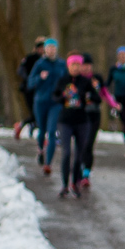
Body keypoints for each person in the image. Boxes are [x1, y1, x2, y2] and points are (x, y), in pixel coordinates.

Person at [52, 53, 99, 198]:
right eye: (73, 65)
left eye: (78, 65)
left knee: (79, 154)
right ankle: (64, 185)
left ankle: (75, 183)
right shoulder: (63, 80)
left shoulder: (85, 82)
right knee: (66, 153)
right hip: (65, 121)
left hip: (82, 121)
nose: (76, 67)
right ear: (68, 66)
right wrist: (63, 96)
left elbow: (97, 98)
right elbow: (54, 97)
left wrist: (88, 96)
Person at [26, 38, 68, 176]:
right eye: (48, 47)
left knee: (51, 132)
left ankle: (48, 164)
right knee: (42, 130)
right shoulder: (39, 64)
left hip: (55, 103)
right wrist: (40, 78)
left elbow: (68, 82)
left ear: (56, 49)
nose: (51, 50)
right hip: (41, 102)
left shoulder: (62, 64)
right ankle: (40, 150)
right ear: (44, 49)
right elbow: (30, 83)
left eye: (53, 47)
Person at [79, 52, 114, 188]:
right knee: (81, 144)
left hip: (94, 115)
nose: (86, 68)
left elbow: (105, 93)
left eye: (88, 65)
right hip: (81, 115)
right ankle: (80, 169)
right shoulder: (77, 80)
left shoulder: (96, 78)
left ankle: (86, 174)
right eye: (83, 65)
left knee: (89, 144)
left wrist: (113, 104)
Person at [13, 37, 44, 140]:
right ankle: (24, 126)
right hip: (30, 90)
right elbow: (20, 70)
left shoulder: (48, 61)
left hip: (43, 90)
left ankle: (30, 127)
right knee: (36, 113)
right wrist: (30, 79)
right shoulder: (31, 58)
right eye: (41, 47)